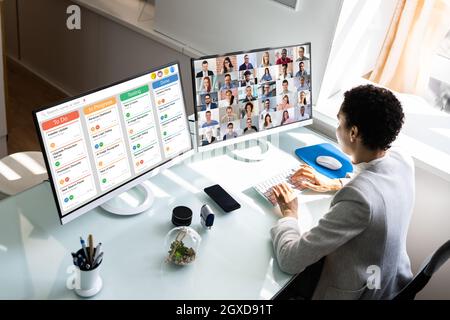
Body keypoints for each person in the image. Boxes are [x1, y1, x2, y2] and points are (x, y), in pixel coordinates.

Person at [270, 84, 413, 300]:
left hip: (360, 293)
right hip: (391, 282)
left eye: (339, 122)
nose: (337, 128)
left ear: (353, 132)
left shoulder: (359, 198)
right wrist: (334, 183)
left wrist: (290, 214)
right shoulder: (402, 160)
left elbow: (290, 260)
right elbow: (377, 190)